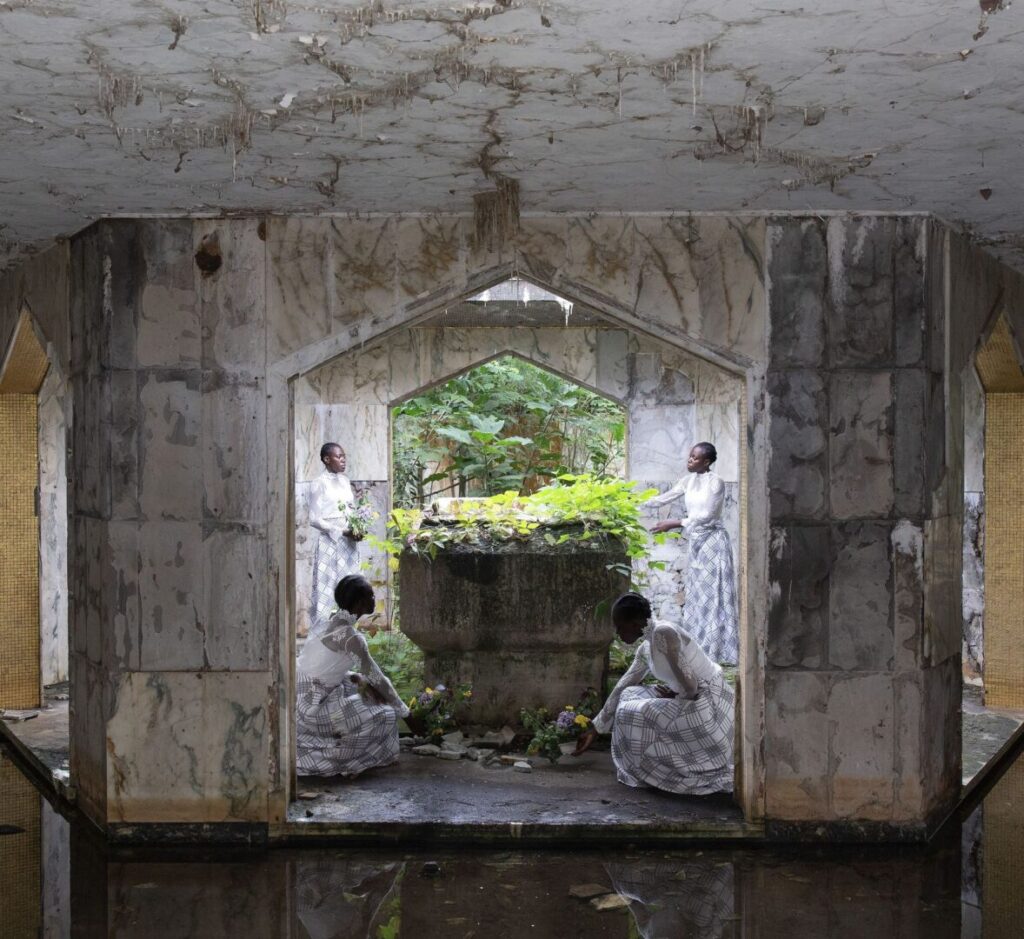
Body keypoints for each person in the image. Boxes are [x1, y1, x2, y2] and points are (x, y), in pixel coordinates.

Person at [574, 592, 734, 796]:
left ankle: (664, 769)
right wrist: (596, 728)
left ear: (634, 624)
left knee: (633, 711)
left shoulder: (663, 633)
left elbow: (692, 686)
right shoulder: (646, 647)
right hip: (688, 696)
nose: (617, 633)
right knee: (629, 695)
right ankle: (653, 768)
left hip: (708, 703)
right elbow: (624, 684)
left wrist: (674, 697)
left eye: (619, 626)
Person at [296, 575, 410, 778]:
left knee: (357, 685)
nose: (374, 598)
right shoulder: (351, 637)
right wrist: (404, 711)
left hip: (299, 693)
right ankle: (341, 758)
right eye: (371, 595)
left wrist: (354, 676)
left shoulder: (325, 622)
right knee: (386, 715)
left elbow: (321, 663)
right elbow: (378, 677)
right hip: (312, 705)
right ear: (359, 603)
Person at [645, 441, 738, 664]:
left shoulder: (716, 483)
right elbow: (662, 499)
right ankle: (699, 647)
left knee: (713, 593)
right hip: (696, 543)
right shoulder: (688, 481)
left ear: (706, 462)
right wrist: (630, 500)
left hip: (713, 543)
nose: (690, 460)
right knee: (698, 595)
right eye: (690, 456)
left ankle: (717, 648)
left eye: (695, 458)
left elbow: (706, 515)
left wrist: (675, 522)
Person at [309, 442, 360, 635]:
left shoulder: (345, 481)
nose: (343, 460)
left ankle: (347, 634)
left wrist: (357, 527)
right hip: (329, 543)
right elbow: (314, 519)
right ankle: (323, 636)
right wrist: (340, 530)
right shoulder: (318, 483)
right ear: (326, 459)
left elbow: (351, 510)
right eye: (339, 457)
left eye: (344, 456)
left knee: (350, 587)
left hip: (349, 544)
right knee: (327, 589)